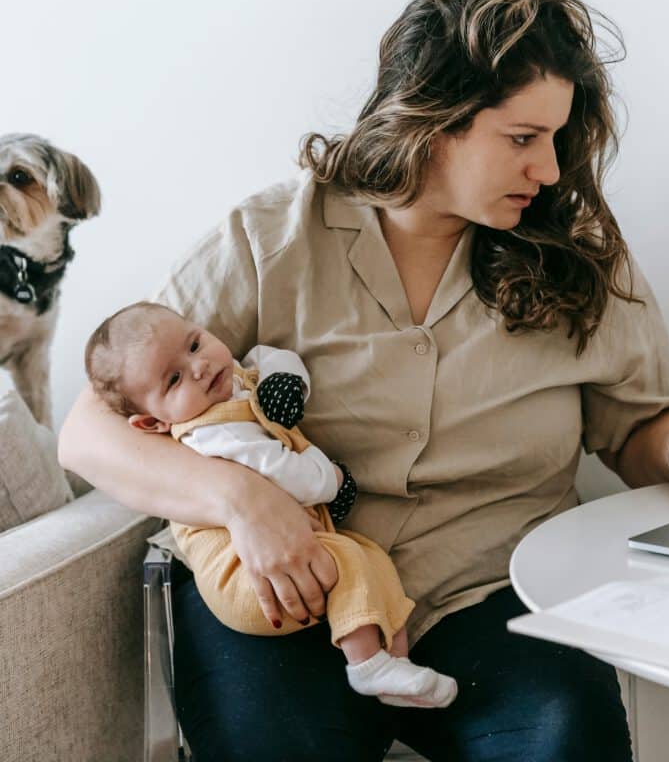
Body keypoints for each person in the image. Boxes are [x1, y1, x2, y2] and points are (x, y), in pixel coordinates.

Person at [59, 0, 669, 762]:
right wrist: (243, 497)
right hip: (291, 592)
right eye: (522, 139)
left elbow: (636, 424)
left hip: (494, 596)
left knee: (570, 740)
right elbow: (88, 433)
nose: (552, 170)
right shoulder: (271, 237)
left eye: (556, 139)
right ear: (432, 120)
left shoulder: (578, 252)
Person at [83, 301, 457, 708]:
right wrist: (331, 480)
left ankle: (394, 665)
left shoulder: (233, 380)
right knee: (351, 561)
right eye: (174, 379)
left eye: (194, 344)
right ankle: (365, 664)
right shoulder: (210, 433)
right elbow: (285, 473)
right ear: (153, 423)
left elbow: (267, 356)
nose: (200, 367)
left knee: (372, 559)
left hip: (288, 551)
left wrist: (286, 381)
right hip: (247, 579)